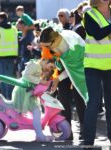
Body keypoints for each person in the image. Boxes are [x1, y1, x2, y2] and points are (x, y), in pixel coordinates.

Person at [40, 26, 88, 140]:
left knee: (79, 97)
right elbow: (47, 61)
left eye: (47, 46)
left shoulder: (71, 48)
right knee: (63, 98)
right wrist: (47, 78)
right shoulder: (51, 43)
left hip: (79, 68)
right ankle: (67, 130)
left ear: (55, 41)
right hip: (63, 68)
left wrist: (58, 79)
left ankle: (85, 129)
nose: (46, 49)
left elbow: (73, 69)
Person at [82, 0, 111, 145]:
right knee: (93, 103)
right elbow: (97, 34)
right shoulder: (89, 14)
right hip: (93, 66)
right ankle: (88, 140)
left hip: (110, 66)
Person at [11, 59, 55, 141]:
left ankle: (39, 135)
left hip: (30, 93)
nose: (50, 70)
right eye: (51, 67)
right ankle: (40, 136)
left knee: (37, 112)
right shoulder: (34, 64)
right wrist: (40, 81)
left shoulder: (40, 68)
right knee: (35, 112)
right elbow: (26, 75)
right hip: (24, 92)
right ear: (46, 61)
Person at [0, 12, 18, 100]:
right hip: (12, 56)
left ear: (2, 19)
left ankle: (4, 98)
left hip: (1, 56)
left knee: (2, 77)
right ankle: (10, 97)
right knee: (10, 77)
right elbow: (16, 42)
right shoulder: (14, 28)